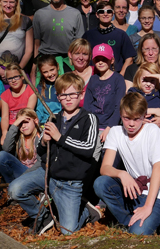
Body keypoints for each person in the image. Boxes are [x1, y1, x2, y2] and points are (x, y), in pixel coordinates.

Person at [8, 72, 101, 235]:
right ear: (58, 97)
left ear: (81, 95)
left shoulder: (90, 118)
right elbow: (42, 152)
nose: (69, 98)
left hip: (70, 184)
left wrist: (60, 138)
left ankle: (87, 211)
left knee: (68, 231)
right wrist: (44, 142)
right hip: (47, 174)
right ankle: (44, 216)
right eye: (64, 95)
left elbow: (88, 149)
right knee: (15, 189)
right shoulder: (52, 119)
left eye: (73, 94)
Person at [94, 92, 160, 235]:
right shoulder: (115, 132)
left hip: (158, 193)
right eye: (126, 118)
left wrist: (148, 206)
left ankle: (141, 221)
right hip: (136, 190)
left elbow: (158, 168)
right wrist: (121, 173)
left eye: (136, 119)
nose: (131, 124)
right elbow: (104, 168)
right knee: (101, 183)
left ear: (144, 115)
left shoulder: (152, 130)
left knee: (139, 232)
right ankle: (129, 221)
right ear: (120, 114)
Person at [33, 0, 86, 75]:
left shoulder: (75, 14)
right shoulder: (39, 14)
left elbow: (79, 44)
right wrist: (34, 67)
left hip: (68, 62)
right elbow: (37, 43)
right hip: (45, 62)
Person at [124, 34, 160, 131]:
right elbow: (128, 100)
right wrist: (138, 119)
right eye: (146, 49)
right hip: (135, 120)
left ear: (159, 50)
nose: (151, 53)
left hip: (159, 122)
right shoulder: (132, 70)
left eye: (154, 49)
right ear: (141, 51)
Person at [83, 43, 126, 143]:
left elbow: (119, 106)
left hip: (110, 127)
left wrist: (109, 128)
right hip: (93, 125)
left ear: (112, 60)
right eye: (97, 59)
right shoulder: (93, 79)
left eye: (104, 59)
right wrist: (89, 125)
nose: (100, 62)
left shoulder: (118, 79)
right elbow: (87, 105)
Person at [83, 1, 136, 76]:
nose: (105, 14)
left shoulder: (121, 34)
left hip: (115, 76)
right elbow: (81, 56)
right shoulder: (88, 35)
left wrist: (120, 76)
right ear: (97, 15)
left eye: (109, 11)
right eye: (101, 11)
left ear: (112, 14)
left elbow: (129, 58)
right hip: (92, 77)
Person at [127, 62, 160, 144]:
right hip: (138, 127)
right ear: (138, 79)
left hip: (156, 127)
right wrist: (153, 111)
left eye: (152, 81)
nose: (148, 84)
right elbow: (131, 109)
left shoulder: (158, 93)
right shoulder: (133, 92)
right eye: (145, 80)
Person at [0, 108, 42, 183]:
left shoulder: (41, 138)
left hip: (36, 175)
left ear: (35, 121)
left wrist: (24, 176)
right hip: (21, 172)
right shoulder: (18, 137)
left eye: (26, 122)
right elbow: (6, 148)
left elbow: (41, 163)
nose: (23, 126)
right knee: (1, 156)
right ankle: (10, 185)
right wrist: (14, 125)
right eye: (20, 123)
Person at [34, 55, 62, 123]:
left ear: (57, 67)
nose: (49, 74)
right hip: (44, 123)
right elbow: (39, 109)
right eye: (45, 72)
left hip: (60, 121)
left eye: (52, 70)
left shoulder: (63, 83)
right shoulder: (40, 87)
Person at [67, 39, 93, 107]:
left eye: (85, 54)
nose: (81, 58)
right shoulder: (67, 78)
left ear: (89, 56)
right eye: (77, 53)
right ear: (70, 54)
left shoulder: (97, 72)